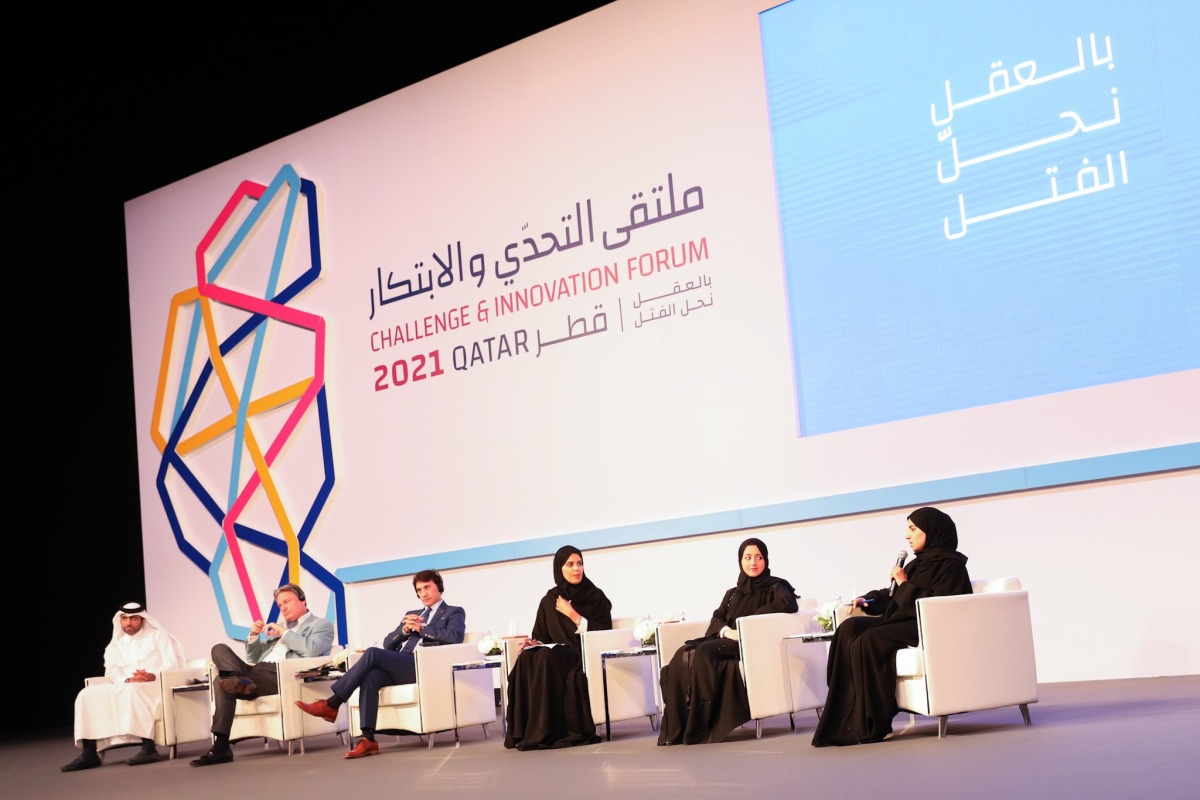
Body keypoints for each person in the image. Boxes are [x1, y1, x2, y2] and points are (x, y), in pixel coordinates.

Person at [812, 506, 973, 747]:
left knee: (870, 639)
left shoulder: (952, 566)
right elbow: (892, 595)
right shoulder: (917, 565)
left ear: (932, 531)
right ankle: (843, 714)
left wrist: (905, 584)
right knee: (849, 628)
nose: (907, 536)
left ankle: (876, 722)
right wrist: (869, 600)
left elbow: (936, 606)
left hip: (927, 628)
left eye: (912, 529)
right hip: (903, 621)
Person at [294, 569, 466, 758]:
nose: (423, 593)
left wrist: (423, 628)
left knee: (373, 653)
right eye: (419, 590)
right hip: (403, 663)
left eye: (427, 587)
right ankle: (368, 739)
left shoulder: (453, 612)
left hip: (423, 666)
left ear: (438, 587)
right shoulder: (412, 614)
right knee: (371, 676)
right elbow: (388, 643)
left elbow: (454, 637)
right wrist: (405, 630)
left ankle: (332, 703)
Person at [657, 537, 799, 745]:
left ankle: (701, 727)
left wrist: (746, 624)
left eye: (758, 557)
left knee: (704, 653)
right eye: (748, 557)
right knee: (683, 652)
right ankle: (678, 728)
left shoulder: (776, 586)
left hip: (751, 644)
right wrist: (725, 631)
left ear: (766, 560)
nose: (753, 563)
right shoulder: (732, 593)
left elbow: (789, 604)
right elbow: (717, 618)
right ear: (740, 561)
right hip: (727, 640)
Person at [191, 583, 335, 766]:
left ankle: (221, 746)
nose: (283, 607)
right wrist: (253, 636)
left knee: (221, 680)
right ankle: (237, 680)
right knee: (219, 649)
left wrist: (285, 632)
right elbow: (253, 657)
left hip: (280, 675)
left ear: (303, 600)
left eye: (287, 601)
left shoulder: (321, 624)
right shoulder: (278, 628)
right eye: (280, 605)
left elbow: (312, 649)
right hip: (256, 672)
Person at [504, 545, 612, 750]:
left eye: (579, 564)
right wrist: (534, 643)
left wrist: (573, 615)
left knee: (547, 658)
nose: (576, 569)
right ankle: (523, 731)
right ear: (559, 569)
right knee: (527, 658)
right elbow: (541, 635)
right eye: (570, 564)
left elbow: (603, 632)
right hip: (556, 653)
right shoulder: (549, 600)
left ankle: (546, 731)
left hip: (580, 654)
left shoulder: (596, 597)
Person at [62, 602, 187, 771]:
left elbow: (172, 663)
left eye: (133, 618)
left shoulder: (158, 636)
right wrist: (128, 680)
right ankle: (89, 752)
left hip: (155, 685)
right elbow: (112, 672)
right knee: (86, 694)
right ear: (119, 620)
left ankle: (149, 749)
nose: (128, 623)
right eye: (125, 618)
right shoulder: (115, 645)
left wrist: (151, 675)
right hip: (126, 685)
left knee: (133, 691)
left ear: (142, 619)